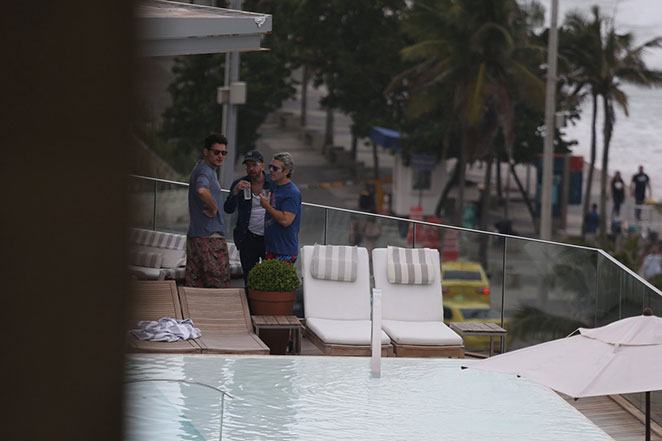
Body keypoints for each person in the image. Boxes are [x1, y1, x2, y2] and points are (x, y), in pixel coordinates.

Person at [185, 133, 231, 288]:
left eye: (223, 153)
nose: (220, 156)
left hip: (196, 235)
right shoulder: (205, 171)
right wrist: (214, 208)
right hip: (211, 237)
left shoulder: (202, 168)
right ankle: (216, 313)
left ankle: (196, 313)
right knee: (219, 286)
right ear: (206, 151)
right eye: (216, 152)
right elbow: (202, 191)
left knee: (195, 286)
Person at [224, 150, 274, 282]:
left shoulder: (272, 183)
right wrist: (235, 192)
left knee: (270, 277)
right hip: (248, 237)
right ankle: (249, 302)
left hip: (269, 238)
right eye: (248, 166)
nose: (251, 169)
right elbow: (228, 209)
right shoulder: (240, 183)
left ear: (262, 166)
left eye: (254, 165)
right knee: (250, 277)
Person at [260, 152, 302, 264]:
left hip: (284, 251)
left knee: (277, 281)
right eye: (270, 167)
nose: (271, 170)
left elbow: (286, 220)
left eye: (275, 168)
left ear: (286, 171)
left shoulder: (291, 193)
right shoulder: (275, 186)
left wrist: (267, 207)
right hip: (271, 248)